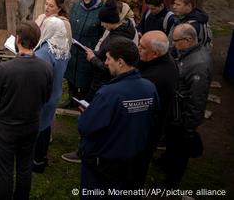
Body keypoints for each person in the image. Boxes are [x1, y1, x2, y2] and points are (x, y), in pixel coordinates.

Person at [78, 37, 159, 197]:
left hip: (103, 163)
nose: (106, 63)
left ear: (120, 62)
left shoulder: (109, 93)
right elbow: (152, 119)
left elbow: (86, 127)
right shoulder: (150, 88)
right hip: (132, 159)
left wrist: (86, 114)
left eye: (108, 59)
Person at [0, 21, 53, 200]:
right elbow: (46, 98)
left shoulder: (5, 69)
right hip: (31, 127)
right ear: (37, 41)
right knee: (24, 168)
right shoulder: (46, 68)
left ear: (18, 40)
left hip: (6, 129)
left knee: (5, 172)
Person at [63, 0, 137, 164]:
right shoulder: (117, 32)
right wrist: (95, 54)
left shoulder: (119, 40)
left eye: (105, 22)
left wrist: (92, 59)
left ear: (112, 21)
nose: (102, 25)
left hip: (103, 83)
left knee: (91, 116)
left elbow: (109, 68)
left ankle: (85, 151)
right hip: (100, 81)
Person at [159, 23, 212, 188]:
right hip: (175, 112)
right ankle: (166, 161)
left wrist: (189, 128)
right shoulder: (187, 53)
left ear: (188, 40)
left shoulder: (199, 65)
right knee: (172, 143)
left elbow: (197, 100)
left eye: (176, 40)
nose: (173, 44)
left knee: (180, 150)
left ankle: (172, 181)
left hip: (182, 117)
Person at [133, 30, 178, 188]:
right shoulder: (162, 61)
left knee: (135, 169)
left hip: (146, 130)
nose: (138, 48)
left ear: (155, 53)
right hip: (150, 126)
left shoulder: (156, 77)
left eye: (143, 47)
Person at [32, 16, 71, 173]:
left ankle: (35, 161)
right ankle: (41, 159)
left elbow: (38, 78)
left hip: (42, 97)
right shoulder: (63, 47)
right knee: (46, 125)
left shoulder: (44, 53)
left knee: (37, 129)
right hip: (55, 94)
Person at [65, 0, 103, 106]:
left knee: (85, 77)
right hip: (73, 48)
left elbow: (102, 33)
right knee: (71, 75)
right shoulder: (77, 6)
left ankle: (82, 102)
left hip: (87, 50)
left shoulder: (100, 10)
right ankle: (71, 98)